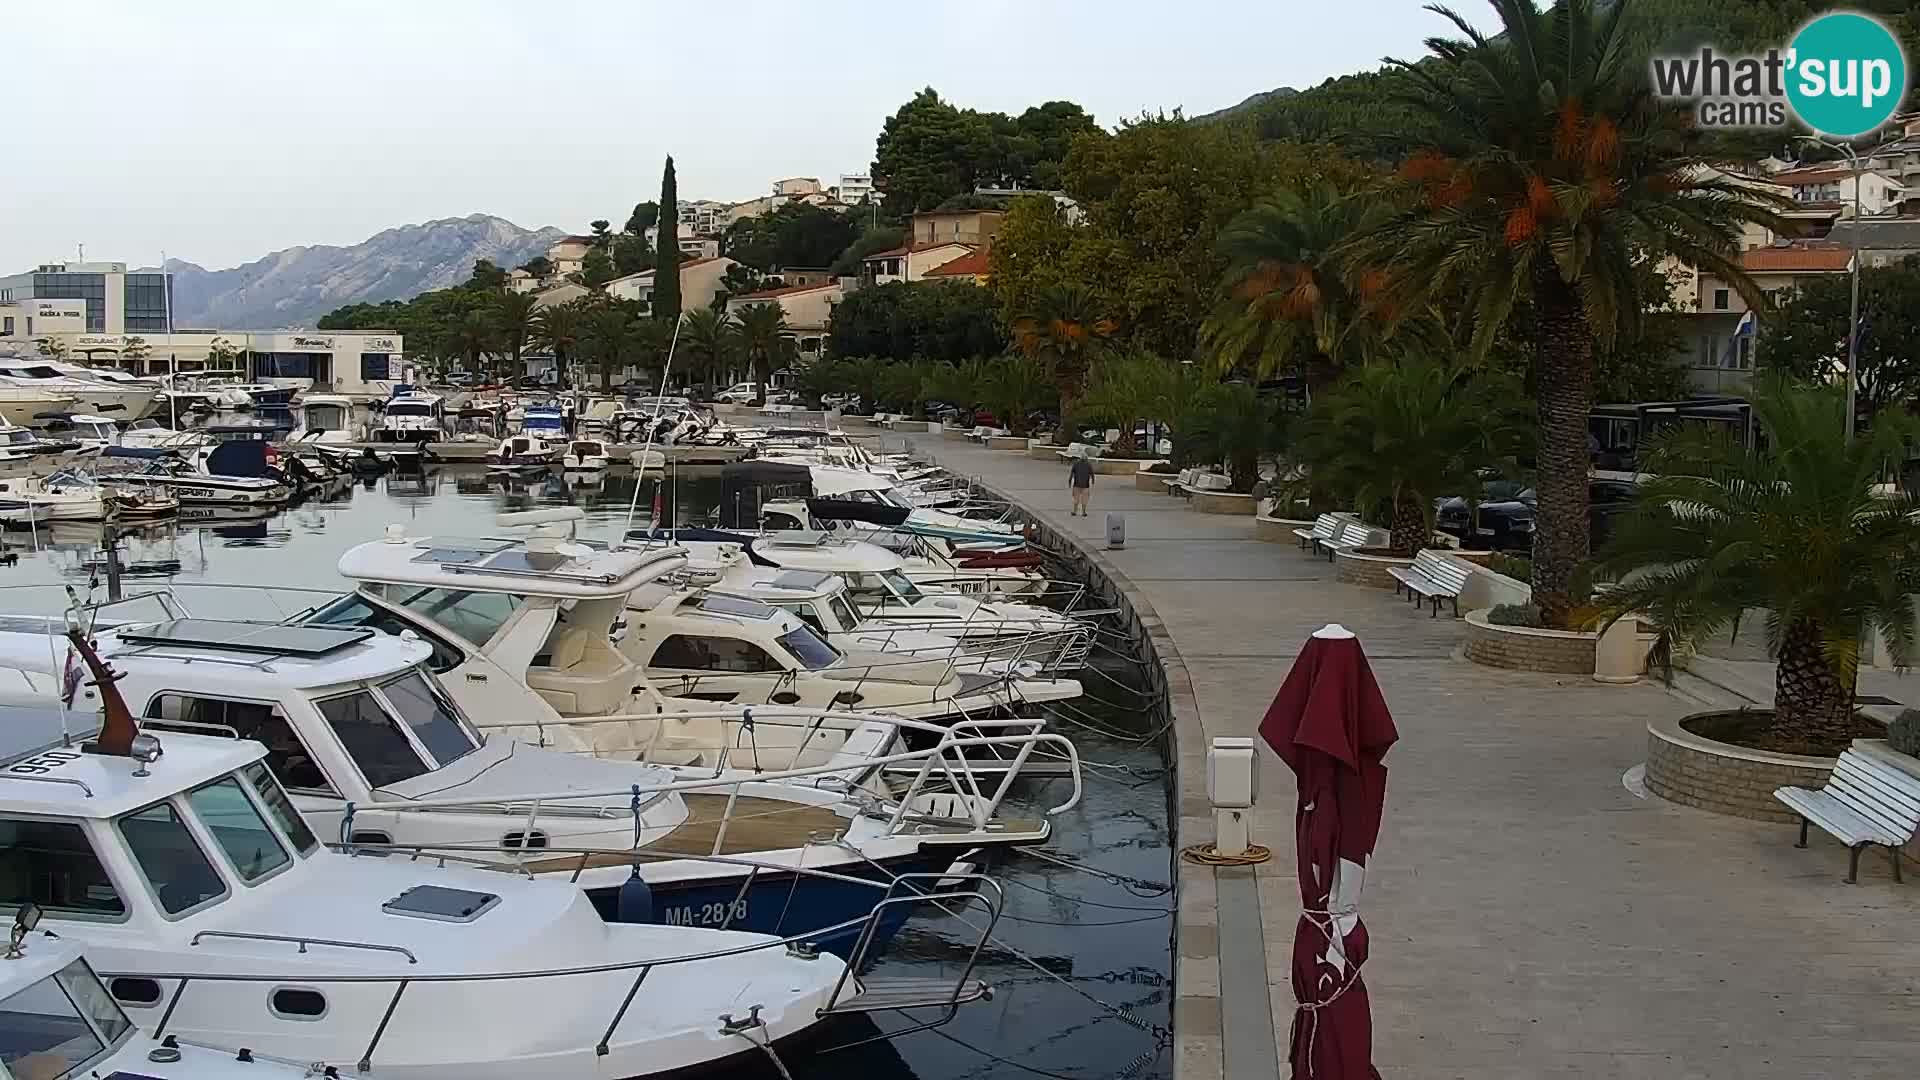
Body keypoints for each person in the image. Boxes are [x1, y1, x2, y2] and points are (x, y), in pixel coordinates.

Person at [1068, 453, 1095, 517]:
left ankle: (1074, 512)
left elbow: (1071, 474)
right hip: (1085, 485)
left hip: (1076, 485)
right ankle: (1083, 512)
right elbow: (1092, 474)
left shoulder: (1076, 464)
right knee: (1084, 500)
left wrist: (1069, 482)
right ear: (1086, 458)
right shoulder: (1088, 464)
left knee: (1076, 500)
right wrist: (1093, 481)